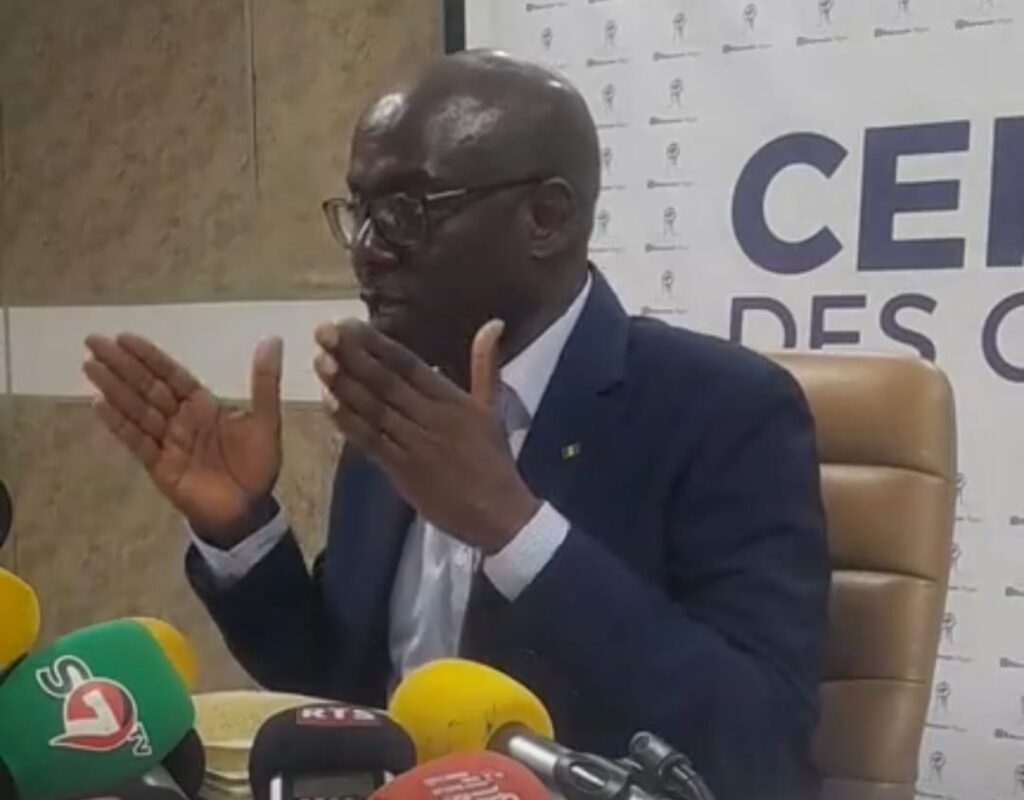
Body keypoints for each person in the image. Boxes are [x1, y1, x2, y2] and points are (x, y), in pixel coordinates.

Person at [82, 51, 829, 800]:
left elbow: (759, 742)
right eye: (360, 211)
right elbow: (334, 686)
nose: (369, 249)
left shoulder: (722, 408)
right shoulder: (401, 405)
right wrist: (242, 530)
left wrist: (516, 530)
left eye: (406, 211)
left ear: (547, 218)